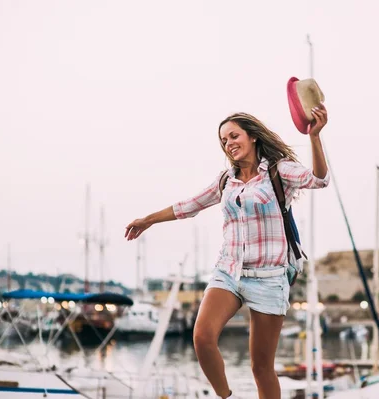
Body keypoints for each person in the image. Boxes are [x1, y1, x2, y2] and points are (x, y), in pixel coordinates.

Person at [125, 105, 329, 399]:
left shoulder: (277, 170)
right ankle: (225, 396)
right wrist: (148, 220)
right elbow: (188, 205)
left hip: (269, 277)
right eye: (224, 140)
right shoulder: (226, 180)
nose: (229, 143)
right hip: (229, 271)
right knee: (202, 338)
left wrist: (315, 137)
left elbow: (319, 179)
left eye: (234, 135)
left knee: (261, 368)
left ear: (253, 137)